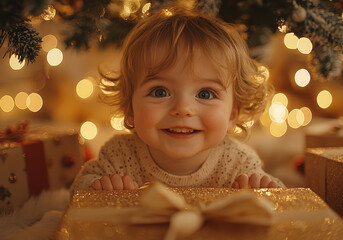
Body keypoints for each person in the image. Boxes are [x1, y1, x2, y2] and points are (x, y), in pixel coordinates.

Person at [71, 4, 285, 192]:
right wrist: (97, 188)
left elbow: (282, 202)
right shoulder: (119, 155)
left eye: (205, 94)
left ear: (233, 113)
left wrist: (265, 191)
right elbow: (76, 194)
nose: (183, 109)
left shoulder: (238, 163)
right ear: (129, 108)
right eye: (160, 92)